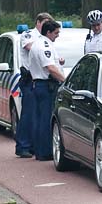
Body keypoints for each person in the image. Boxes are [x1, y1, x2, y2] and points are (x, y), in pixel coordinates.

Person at [15, 12, 54, 158]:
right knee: (29, 113)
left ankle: (36, 146)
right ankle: (23, 145)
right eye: (45, 22)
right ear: (38, 22)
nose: (46, 25)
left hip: (42, 79)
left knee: (40, 115)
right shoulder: (28, 35)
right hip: (29, 78)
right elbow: (32, 48)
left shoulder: (46, 40)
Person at [29, 20, 66, 161]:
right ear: (48, 32)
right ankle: (45, 152)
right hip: (46, 86)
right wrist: (65, 81)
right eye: (56, 33)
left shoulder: (39, 43)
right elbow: (50, 68)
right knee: (46, 120)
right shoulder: (45, 46)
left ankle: (40, 150)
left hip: (39, 85)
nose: (57, 35)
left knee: (40, 119)